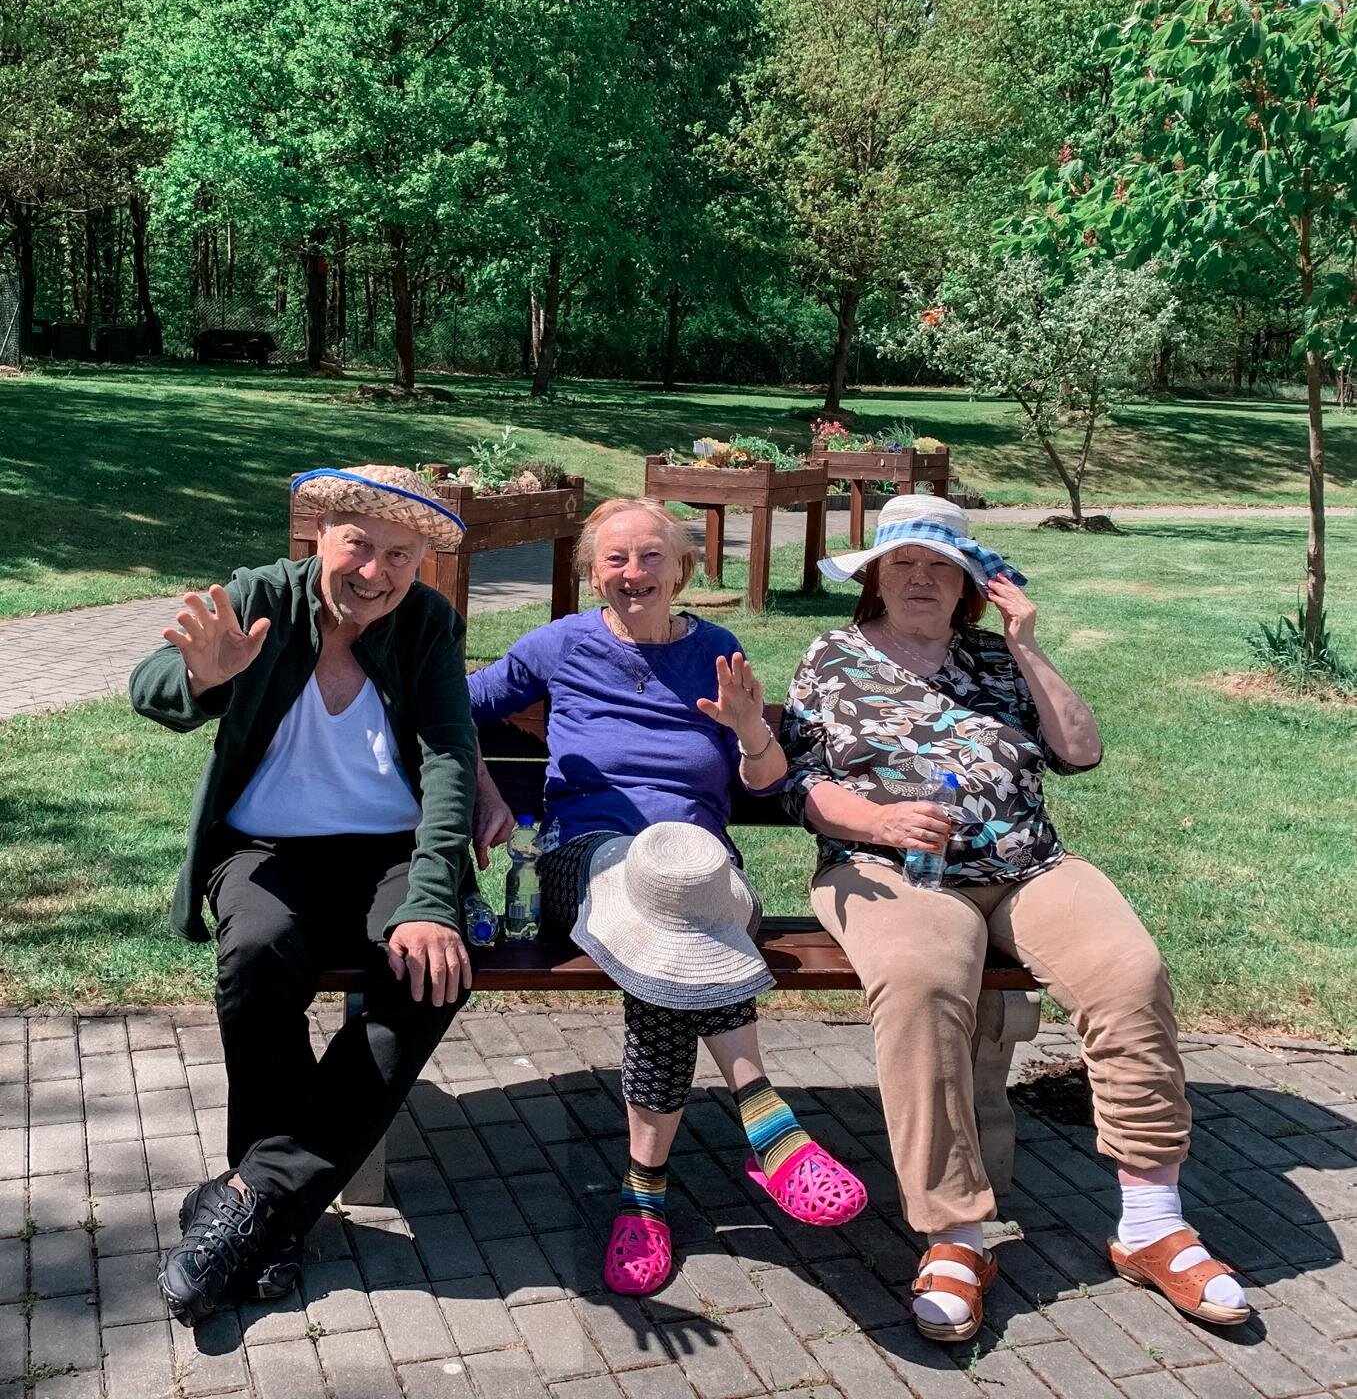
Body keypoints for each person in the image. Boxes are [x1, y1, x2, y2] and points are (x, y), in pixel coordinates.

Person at [779, 494, 1248, 1340]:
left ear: (969, 585)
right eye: (903, 563)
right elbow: (800, 784)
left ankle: (1151, 1222)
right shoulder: (832, 657)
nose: (920, 579)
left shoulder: (999, 658)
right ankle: (955, 1235)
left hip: (1029, 866)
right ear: (875, 577)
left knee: (1128, 973)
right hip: (889, 868)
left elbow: (1080, 751)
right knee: (922, 983)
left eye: (941, 567)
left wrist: (1027, 645)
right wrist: (877, 822)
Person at [470, 497, 866, 1296]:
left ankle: (644, 1195)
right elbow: (449, 708)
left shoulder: (716, 651)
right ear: (592, 574)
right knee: (663, 908)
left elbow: (766, 782)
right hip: (584, 863)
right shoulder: (559, 645)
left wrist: (751, 730)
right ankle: (762, 1116)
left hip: (703, 871)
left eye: (650, 556)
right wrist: (484, 788)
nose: (633, 572)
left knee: (675, 915)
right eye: (614, 559)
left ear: (680, 569)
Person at [130, 465, 480, 1327]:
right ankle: (275, 1213)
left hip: (390, 852)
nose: (376, 571)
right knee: (258, 951)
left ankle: (252, 1200)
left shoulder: (427, 622)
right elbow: (149, 687)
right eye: (358, 544)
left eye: (400, 555)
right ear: (319, 536)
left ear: (419, 565)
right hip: (265, 847)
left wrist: (431, 901)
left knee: (431, 971)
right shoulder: (261, 598)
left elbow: (447, 758)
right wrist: (202, 679)